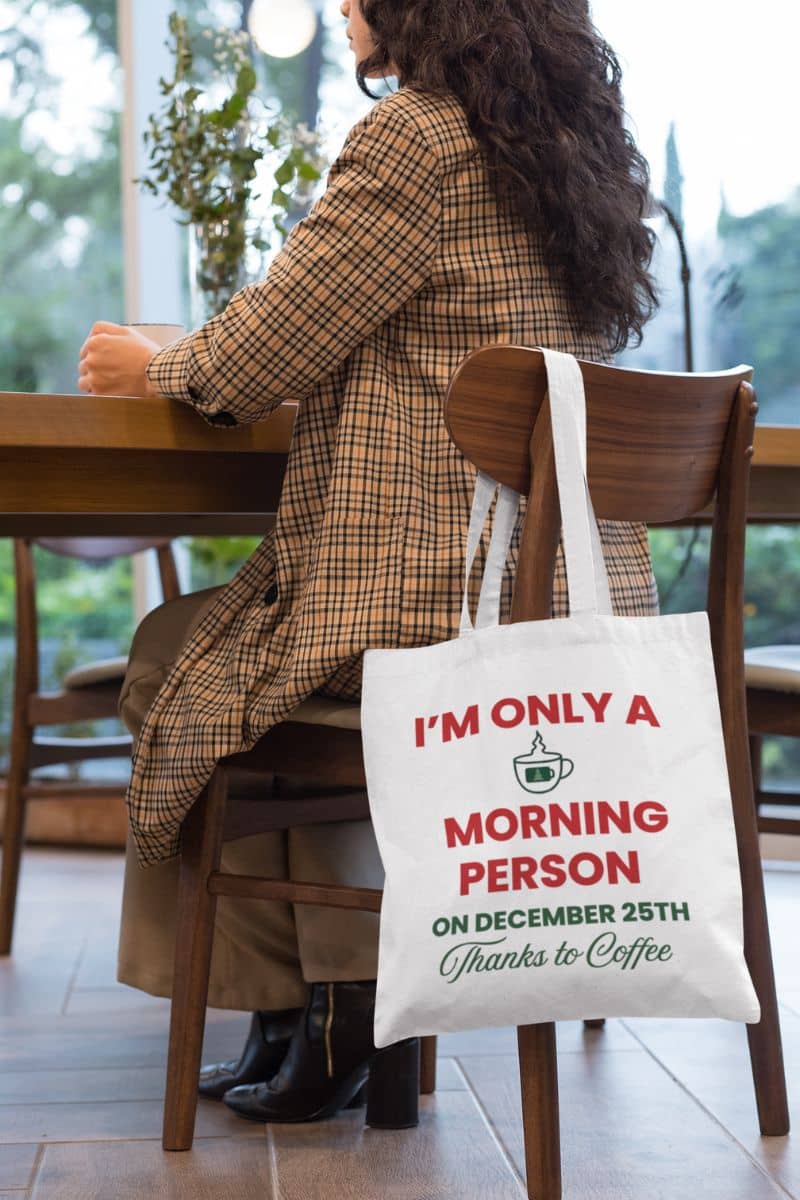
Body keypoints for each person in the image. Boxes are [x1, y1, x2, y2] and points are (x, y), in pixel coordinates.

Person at [78, 0, 659, 1126]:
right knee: (259, 651)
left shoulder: (415, 135)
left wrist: (157, 363)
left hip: (429, 602)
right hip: (554, 611)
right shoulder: (564, 155)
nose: (343, 4)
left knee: (179, 654)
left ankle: (316, 998)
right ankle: (323, 1012)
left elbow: (260, 354)